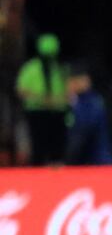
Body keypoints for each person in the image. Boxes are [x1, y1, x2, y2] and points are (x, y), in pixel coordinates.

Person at [15, 32, 67, 161]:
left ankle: (57, 172)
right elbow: (20, 90)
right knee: (38, 145)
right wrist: (41, 99)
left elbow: (66, 88)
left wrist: (60, 99)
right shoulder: (31, 68)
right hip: (37, 112)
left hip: (57, 111)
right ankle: (38, 174)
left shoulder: (58, 68)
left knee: (57, 146)